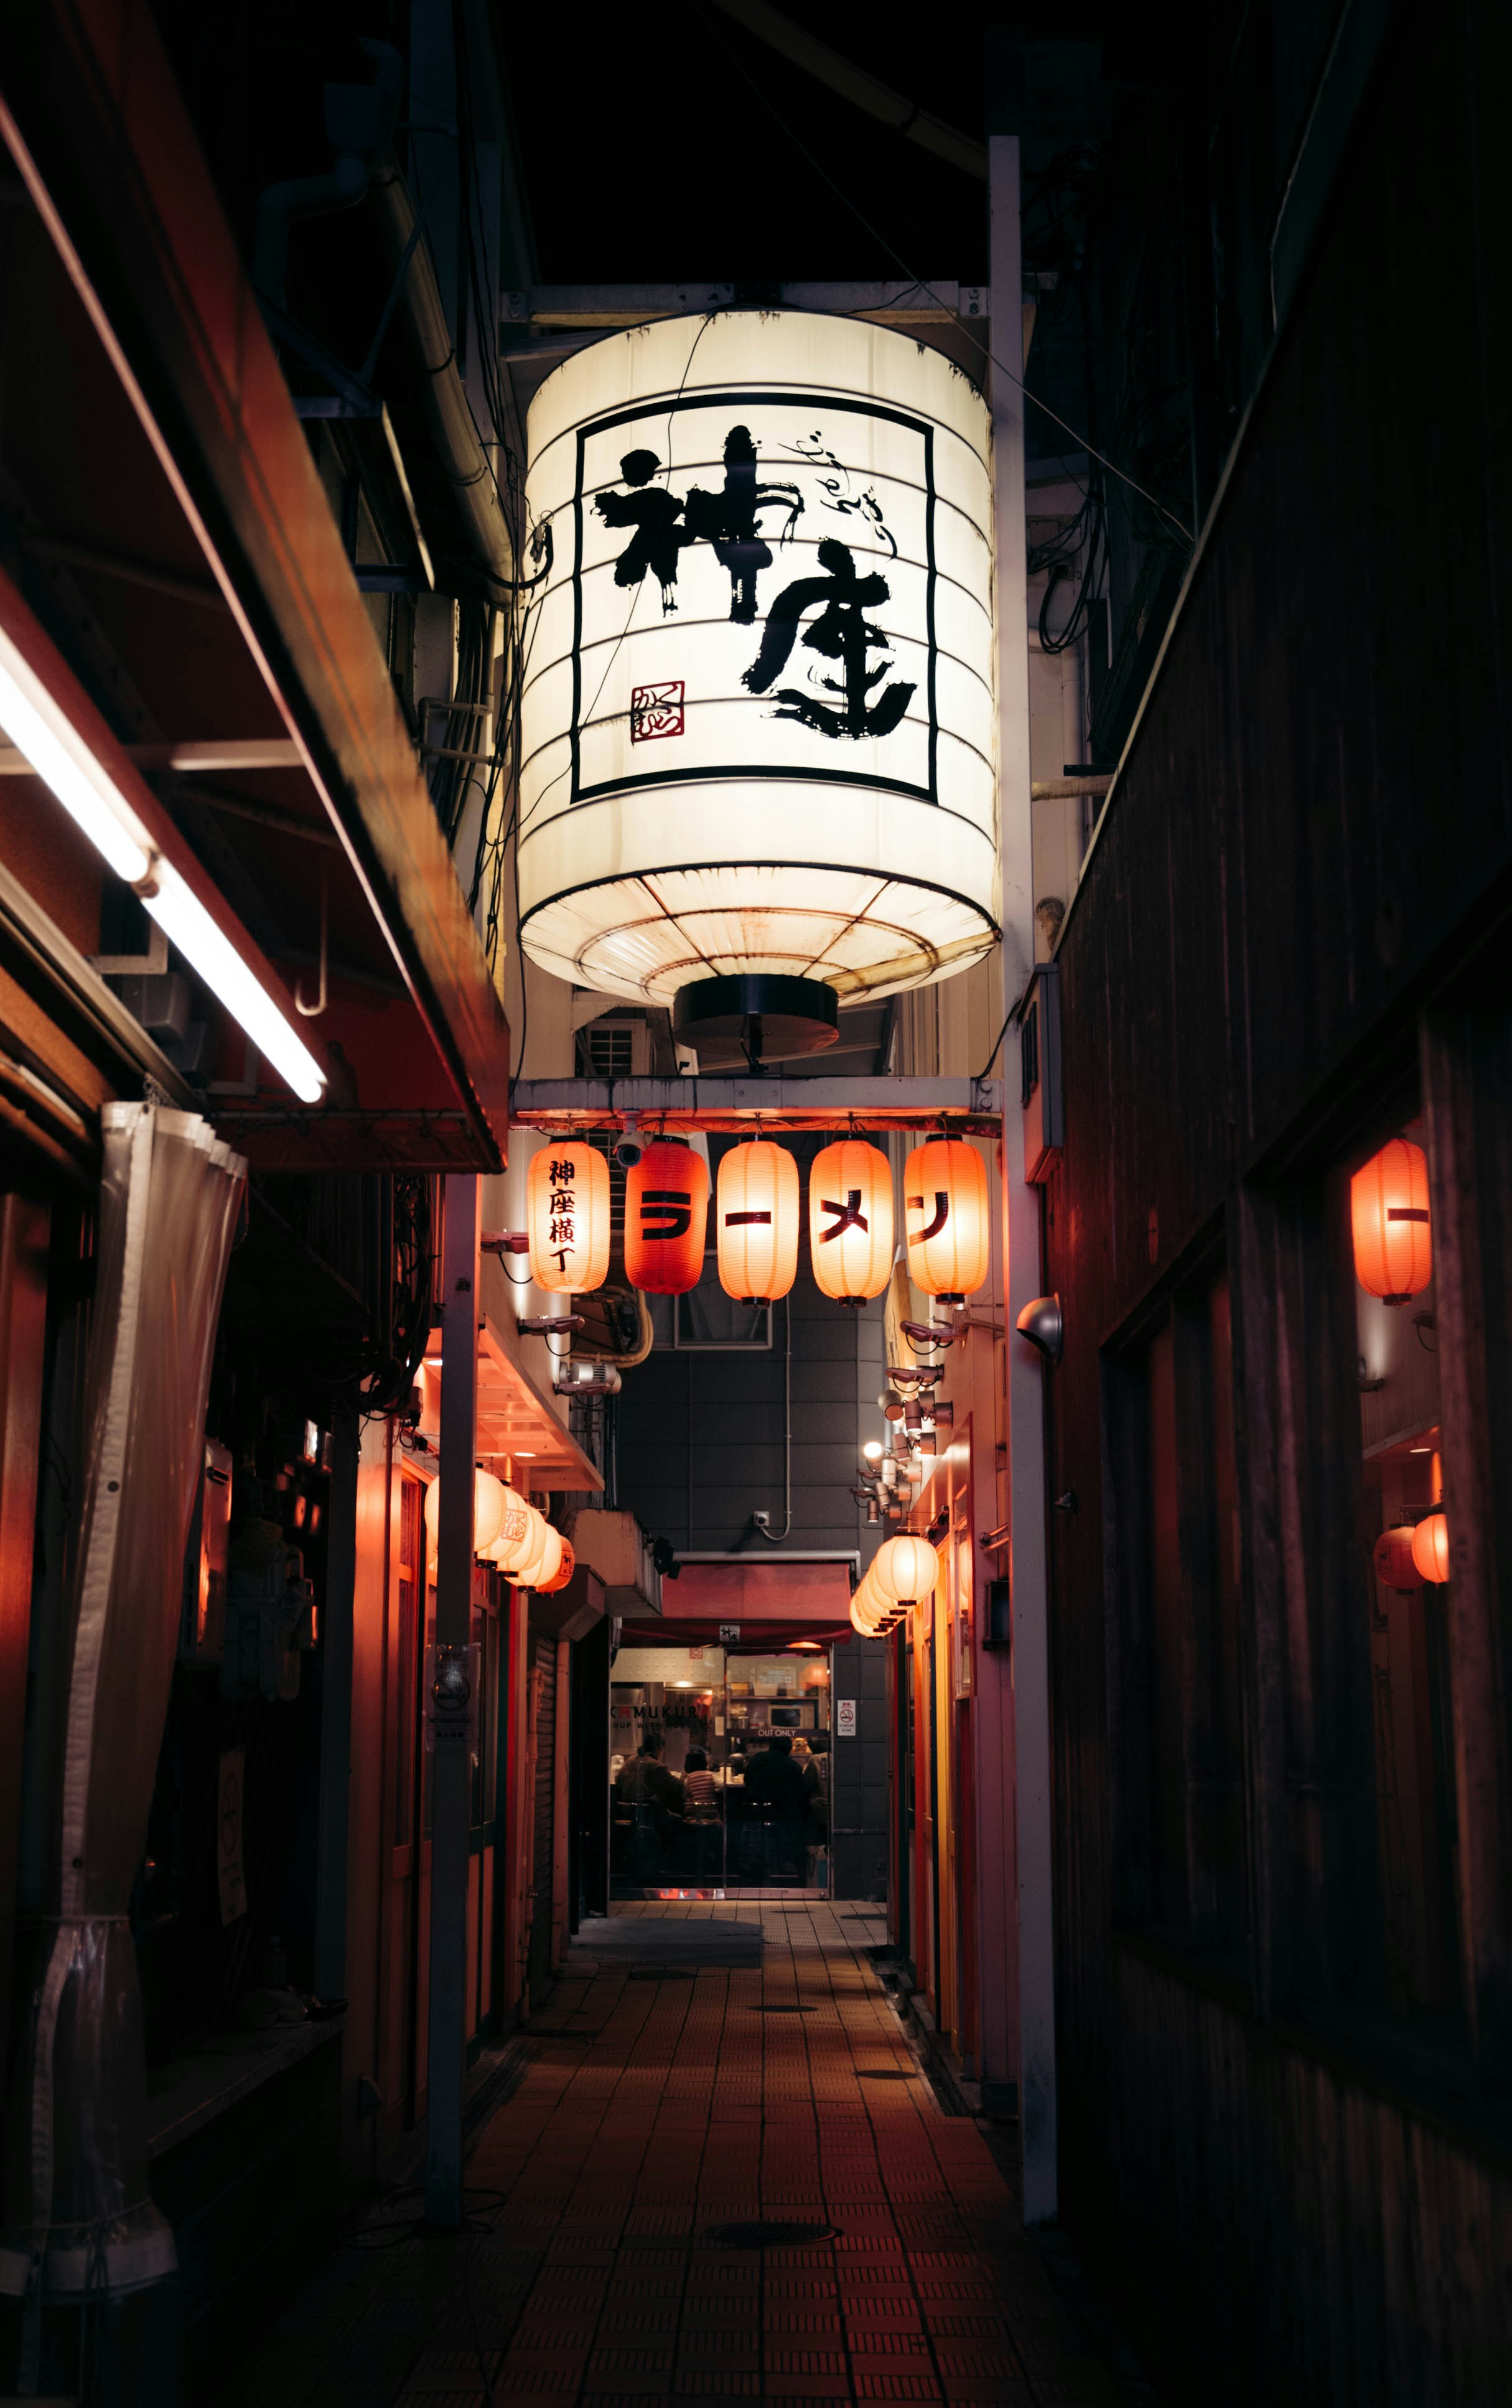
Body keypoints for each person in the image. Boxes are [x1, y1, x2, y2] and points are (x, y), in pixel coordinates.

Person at [743, 1733, 807, 1881]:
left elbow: (747, 1781)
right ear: (788, 1748)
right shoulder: (792, 1766)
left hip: (757, 1812)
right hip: (783, 1815)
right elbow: (800, 1791)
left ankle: (756, 1867)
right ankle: (785, 1868)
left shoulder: (758, 1760)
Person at [682, 1746, 721, 1879]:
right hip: (712, 1818)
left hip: (693, 1818)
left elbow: (684, 1796)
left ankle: (698, 1862)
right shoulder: (711, 1776)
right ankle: (713, 1862)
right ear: (704, 1763)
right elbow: (721, 1786)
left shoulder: (688, 1779)